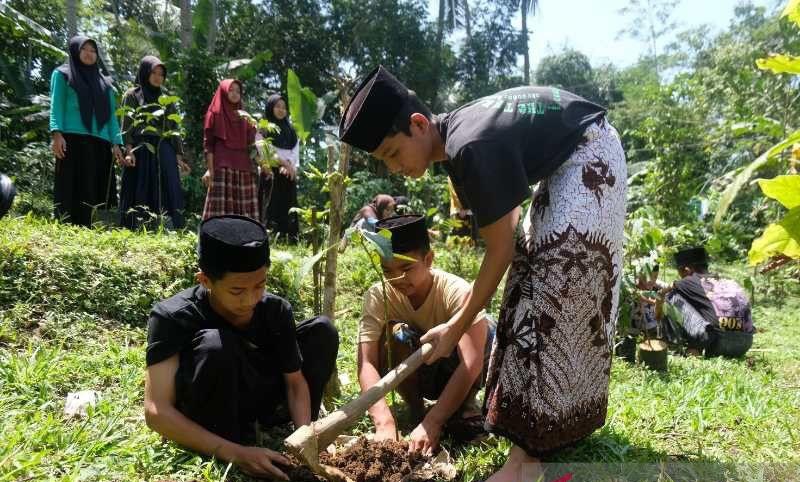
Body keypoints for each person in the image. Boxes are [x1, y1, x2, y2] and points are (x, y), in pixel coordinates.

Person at [339, 66, 626, 481]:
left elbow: (500, 249)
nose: (395, 168)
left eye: (393, 154)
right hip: (565, 165)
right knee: (527, 285)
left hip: (589, 155)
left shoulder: (468, 145)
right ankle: (533, 440)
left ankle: (527, 460)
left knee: (560, 285)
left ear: (418, 125)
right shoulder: (462, 141)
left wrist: (455, 326)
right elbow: (509, 242)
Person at [144, 215, 338, 480]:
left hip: (257, 396)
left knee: (321, 331)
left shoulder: (275, 310)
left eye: (260, 285)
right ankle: (229, 437)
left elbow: (294, 382)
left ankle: (274, 426)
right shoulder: (172, 317)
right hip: (211, 406)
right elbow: (157, 411)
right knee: (215, 345)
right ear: (205, 280)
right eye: (237, 291)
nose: (250, 300)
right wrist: (236, 452)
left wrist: (304, 436)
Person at [357, 214, 494, 455]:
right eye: (387, 271)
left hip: (455, 370)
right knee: (395, 334)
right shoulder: (379, 296)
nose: (396, 278)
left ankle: (462, 405)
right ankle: (416, 409)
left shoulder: (456, 291)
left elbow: (471, 363)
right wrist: (384, 422)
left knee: (487, 328)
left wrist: (434, 422)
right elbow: (367, 362)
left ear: (429, 259)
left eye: (407, 268)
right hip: (417, 372)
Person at [50, 35, 124, 227]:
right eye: (85, 49)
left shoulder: (105, 83)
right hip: (71, 139)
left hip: (100, 142)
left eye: (93, 51)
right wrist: (57, 134)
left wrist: (117, 143)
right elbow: (56, 106)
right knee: (69, 186)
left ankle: (88, 229)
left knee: (92, 189)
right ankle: (64, 228)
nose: (89, 54)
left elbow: (111, 117)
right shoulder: (63, 74)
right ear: (76, 51)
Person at [119, 56, 189, 229]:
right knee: (141, 186)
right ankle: (137, 226)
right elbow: (126, 126)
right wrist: (129, 151)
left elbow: (174, 129)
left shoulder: (167, 100)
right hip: (141, 148)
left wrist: (179, 158)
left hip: (164, 149)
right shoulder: (132, 95)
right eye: (154, 73)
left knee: (168, 186)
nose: (158, 77)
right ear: (145, 73)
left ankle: (169, 227)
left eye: (161, 74)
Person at [662, 247, 755, 357]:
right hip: (745, 343)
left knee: (671, 297)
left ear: (687, 270)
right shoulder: (727, 281)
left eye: (680, 273)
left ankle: (678, 348)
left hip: (718, 342)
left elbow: (664, 292)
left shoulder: (687, 282)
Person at [202, 79, 258, 220]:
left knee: (244, 214)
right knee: (219, 214)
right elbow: (209, 145)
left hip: (244, 169)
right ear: (223, 91)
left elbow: (253, 144)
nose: (234, 93)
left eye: (238, 91)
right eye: (231, 90)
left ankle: (244, 241)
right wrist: (210, 169)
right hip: (222, 168)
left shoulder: (245, 117)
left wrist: (263, 164)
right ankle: (216, 241)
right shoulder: (214, 114)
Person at [259, 94, 300, 243]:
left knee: (289, 205)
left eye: (283, 107)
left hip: (288, 172)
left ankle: (289, 239)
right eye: (277, 106)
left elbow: (295, 150)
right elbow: (265, 149)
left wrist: (290, 165)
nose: (281, 110)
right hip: (271, 171)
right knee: (271, 203)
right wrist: (285, 163)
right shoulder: (264, 128)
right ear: (270, 108)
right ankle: (269, 238)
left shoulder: (291, 130)